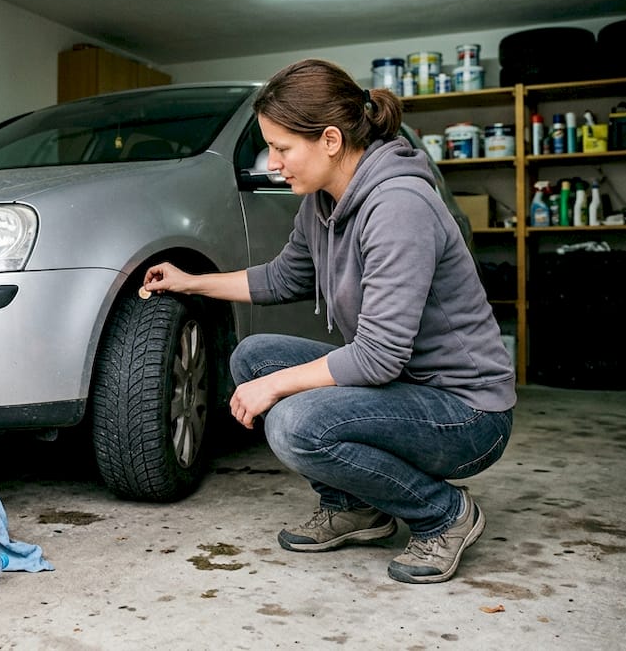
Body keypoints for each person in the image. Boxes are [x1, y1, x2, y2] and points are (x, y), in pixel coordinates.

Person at [142, 58, 516, 584]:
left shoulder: (399, 207)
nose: (273, 164)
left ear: (331, 140)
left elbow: (378, 358)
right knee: (254, 358)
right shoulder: (322, 202)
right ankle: (357, 507)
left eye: (282, 148)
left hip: (467, 413)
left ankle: (444, 515)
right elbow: (281, 279)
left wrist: (276, 388)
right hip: (407, 387)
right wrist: (190, 281)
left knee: (295, 424)